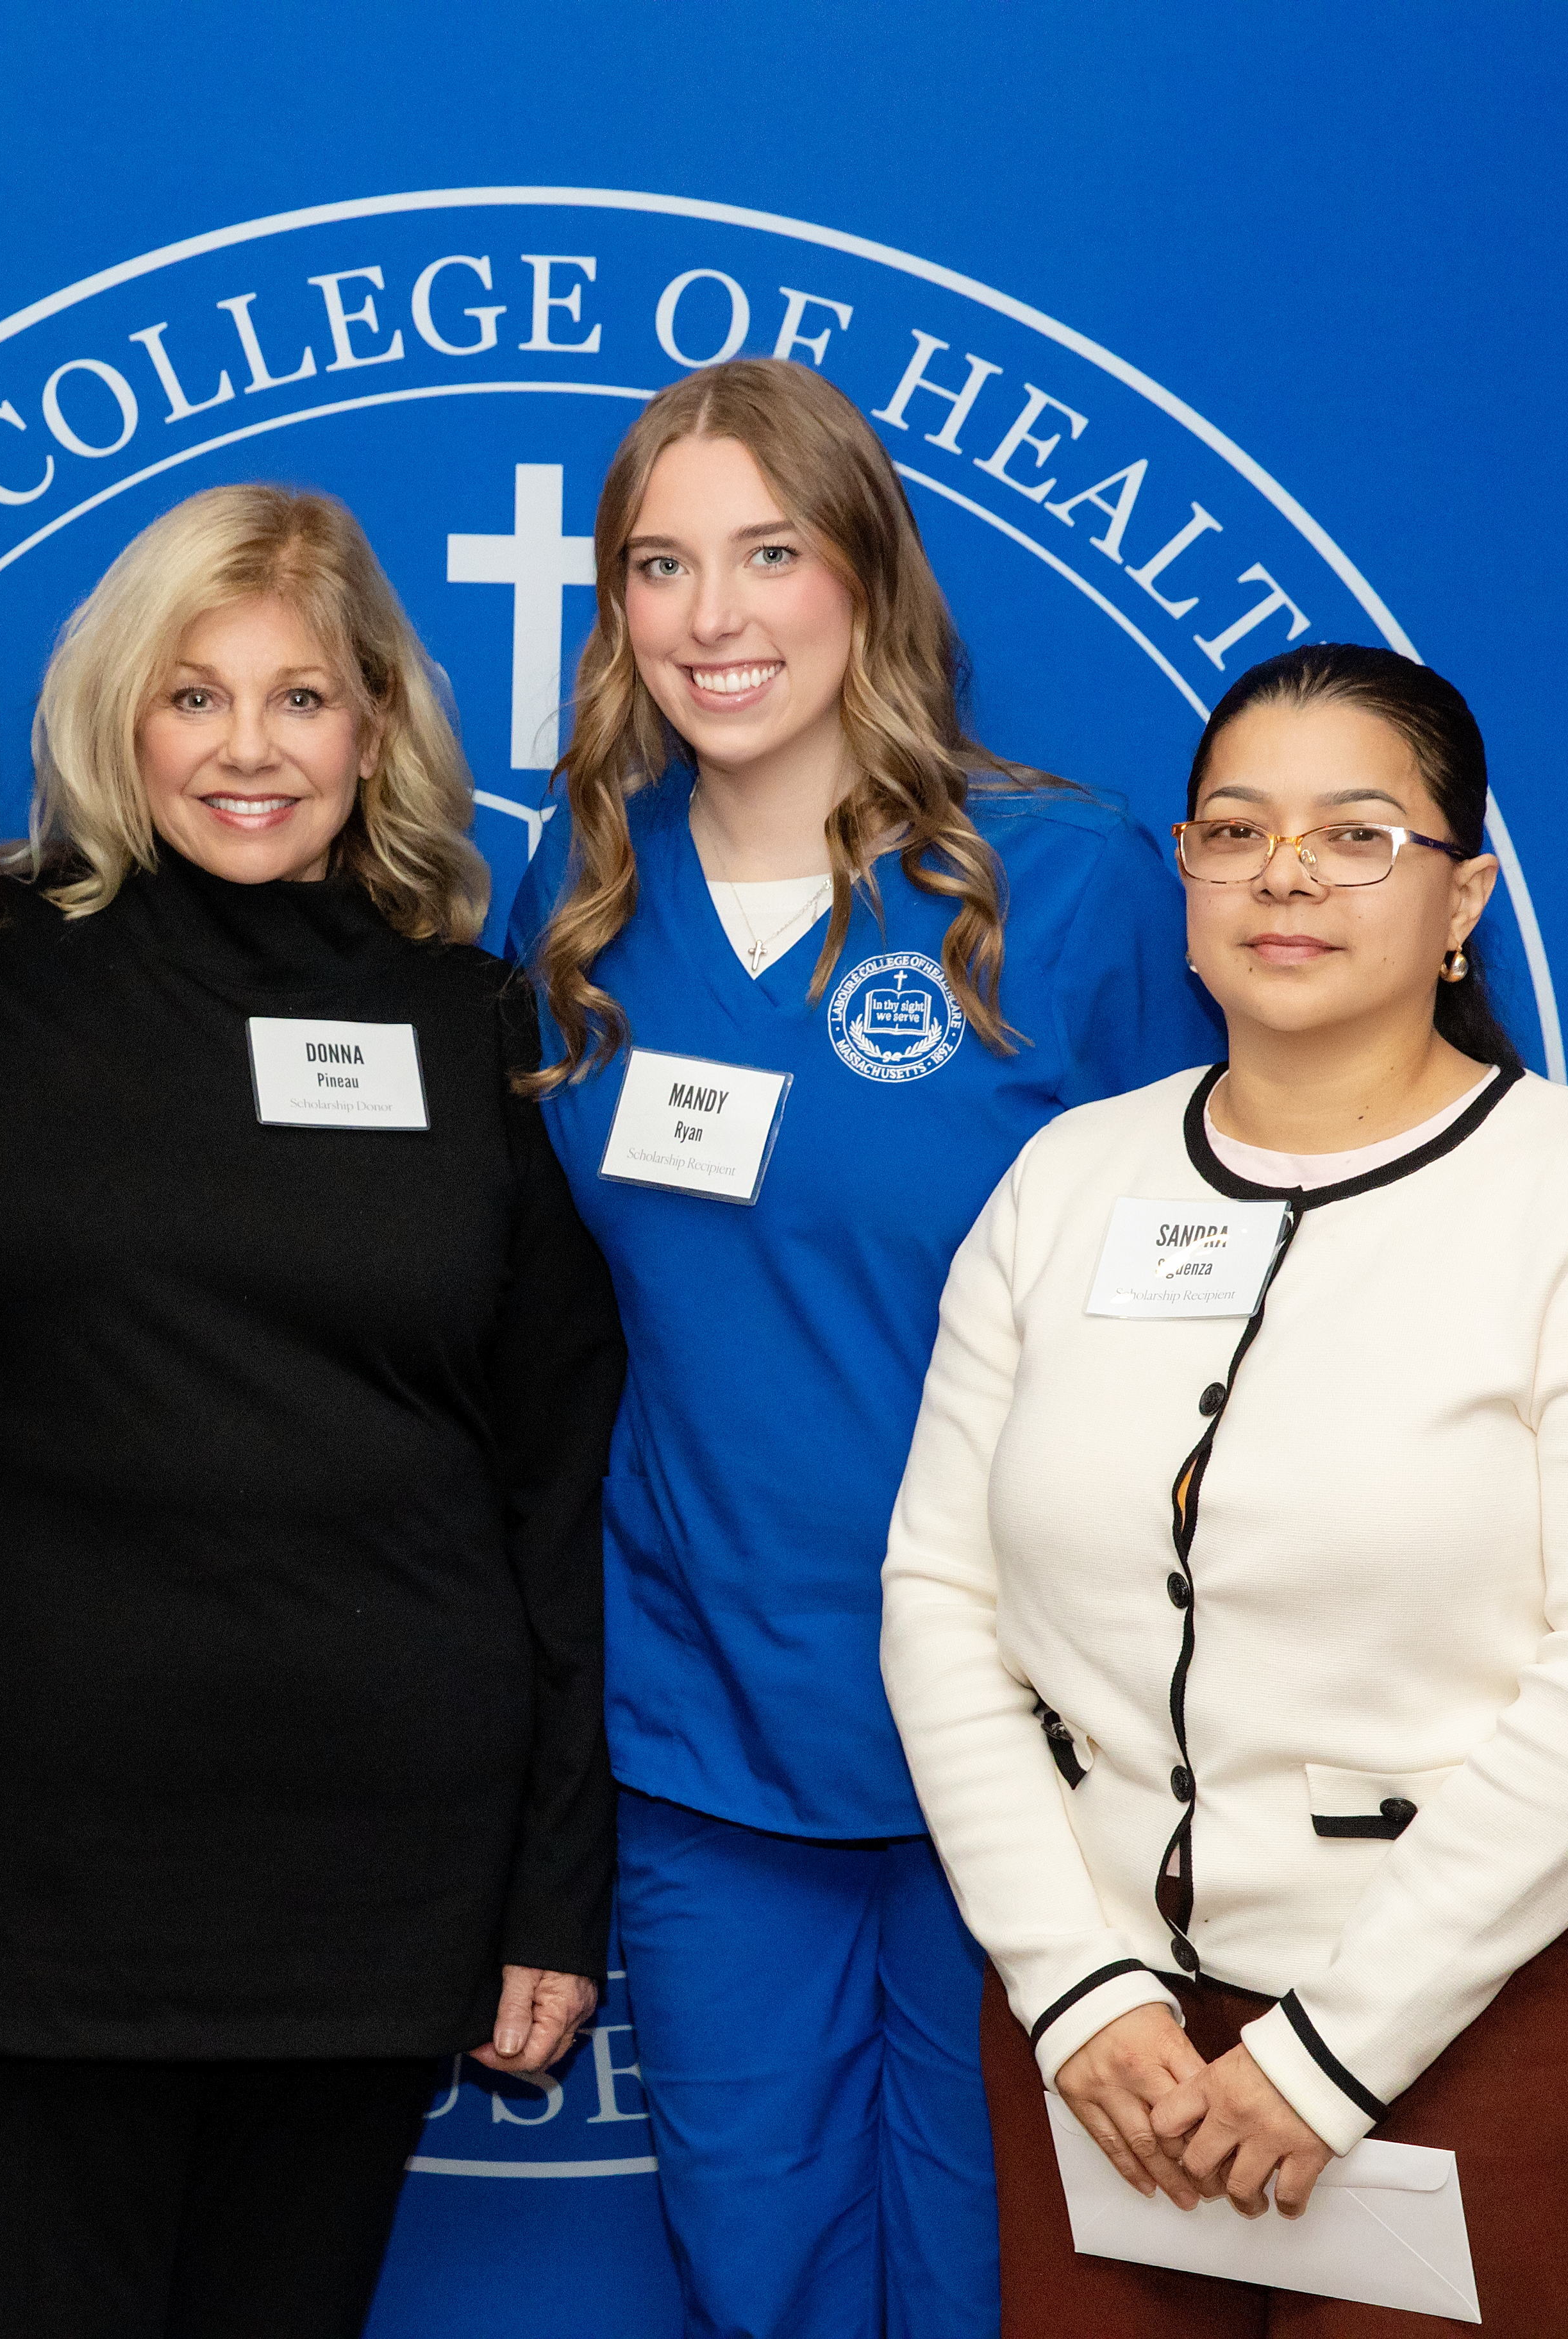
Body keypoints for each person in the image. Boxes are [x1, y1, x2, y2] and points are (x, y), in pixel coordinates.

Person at [880, 642, 1568, 2335]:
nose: (1285, 875)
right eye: (1234, 832)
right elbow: (939, 1607)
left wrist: (1330, 2053)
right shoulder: (1067, 1183)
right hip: (1110, 2050)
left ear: (1462, 899)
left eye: (1358, 835)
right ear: (1189, 880)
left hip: (1472, 2025)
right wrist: (1075, 1994)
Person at [0, 483, 627, 2339]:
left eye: (300, 698)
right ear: (119, 714)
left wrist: (552, 1883)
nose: (250, 749)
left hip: (365, 1889)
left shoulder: (473, 1023)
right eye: (195, 696)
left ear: (375, 726)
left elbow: (553, 1478)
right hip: (24, 1891)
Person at [503, 357, 1224, 2339]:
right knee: (762, 2276)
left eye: (768, 553)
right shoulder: (566, 906)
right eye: (659, 565)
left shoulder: (1061, 889)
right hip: (713, 1729)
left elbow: (1294, 1188)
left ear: (869, 578)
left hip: (1030, 1735)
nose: (712, 618)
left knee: (1017, 2277)